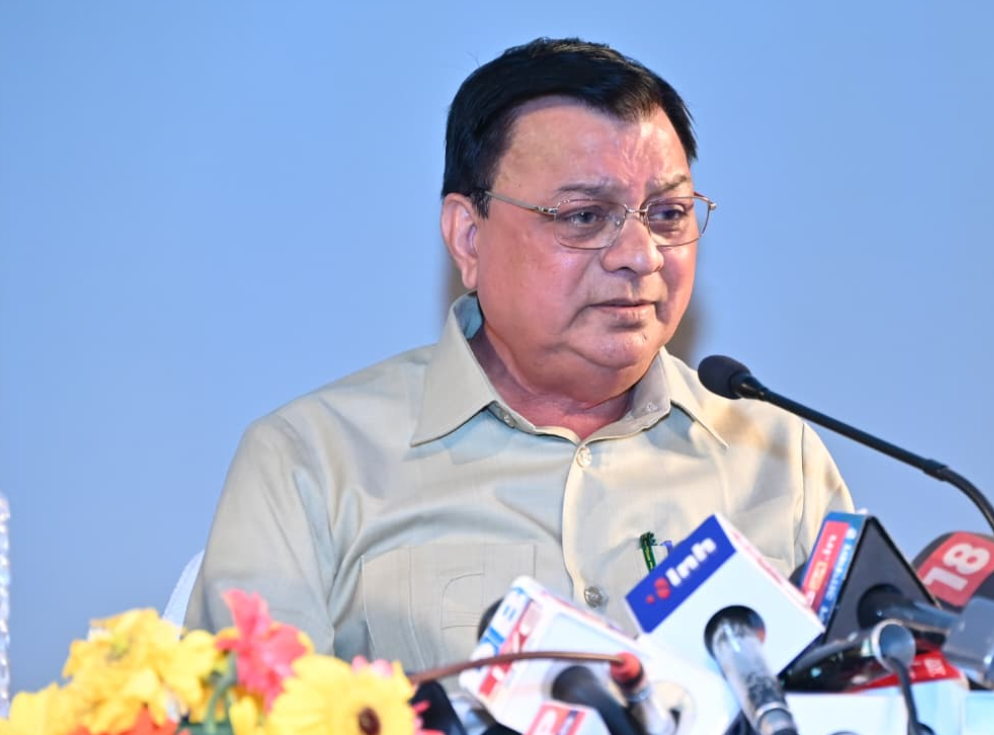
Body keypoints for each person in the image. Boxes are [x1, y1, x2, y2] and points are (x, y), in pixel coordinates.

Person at [185, 37, 854, 672]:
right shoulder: (312, 459)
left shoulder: (777, 458)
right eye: (585, 216)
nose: (640, 255)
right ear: (469, 238)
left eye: (668, 214)